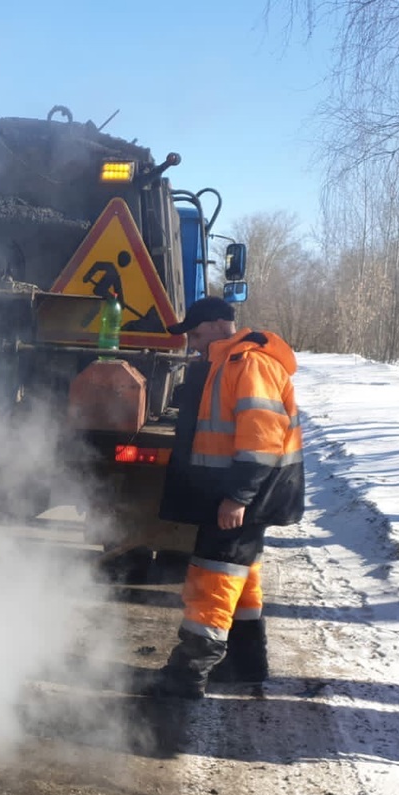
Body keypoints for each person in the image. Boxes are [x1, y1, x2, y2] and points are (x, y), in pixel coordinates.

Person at [146, 296, 305, 698]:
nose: (193, 343)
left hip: (241, 496)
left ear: (219, 325)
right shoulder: (224, 364)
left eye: (196, 334)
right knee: (242, 576)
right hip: (237, 495)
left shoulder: (250, 364)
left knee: (211, 579)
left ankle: (187, 675)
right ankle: (244, 664)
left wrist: (237, 497)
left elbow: (262, 442)